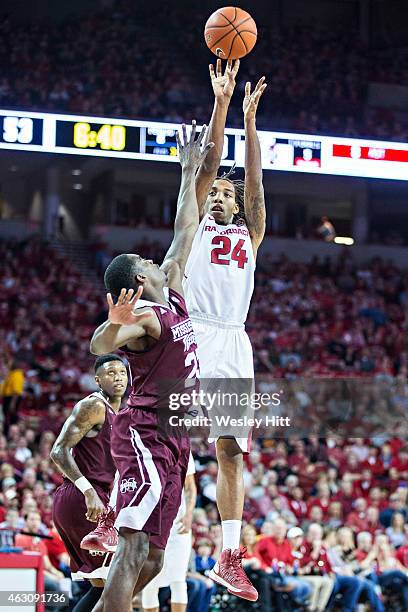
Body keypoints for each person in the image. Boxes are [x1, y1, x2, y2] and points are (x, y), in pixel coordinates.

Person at [88, 123, 213, 612]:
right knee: (134, 547)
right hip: (144, 433)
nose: (156, 257)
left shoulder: (175, 291)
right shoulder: (145, 320)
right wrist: (110, 325)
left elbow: (186, 227)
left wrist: (187, 171)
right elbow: (101, 342)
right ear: (140, 277)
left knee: (156, 560)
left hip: (176, 435)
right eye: (145, 258)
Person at [183, 59, 267, 602]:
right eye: (213, 192)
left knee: (231, 450)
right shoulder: (192, 221)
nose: (218, 196)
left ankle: (230, 557)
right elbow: (209, 162)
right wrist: (221, 104)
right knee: (162, 437)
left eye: (224, 195)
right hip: (193, 334)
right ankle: (121, 516)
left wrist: (250, 120)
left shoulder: (250, 232)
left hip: (234, 341)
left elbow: (256, 186)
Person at [50, 354, 128, 612]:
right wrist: (88, 490)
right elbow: (58, 451)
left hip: (98, 499)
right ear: (98, 379)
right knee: (115, 582)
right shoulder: (93, 406)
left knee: (105, 586)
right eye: (110, 373)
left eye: (122, 372)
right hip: (81, 497)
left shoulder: (123, 413)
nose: (118, 377)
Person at [142, 452, 197, 612]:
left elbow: (190, 486)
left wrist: (189, 514)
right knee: (149, 579)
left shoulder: (183, 447)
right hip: (151, 520)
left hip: (178, 521)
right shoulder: (145, 443)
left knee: (179, 579)